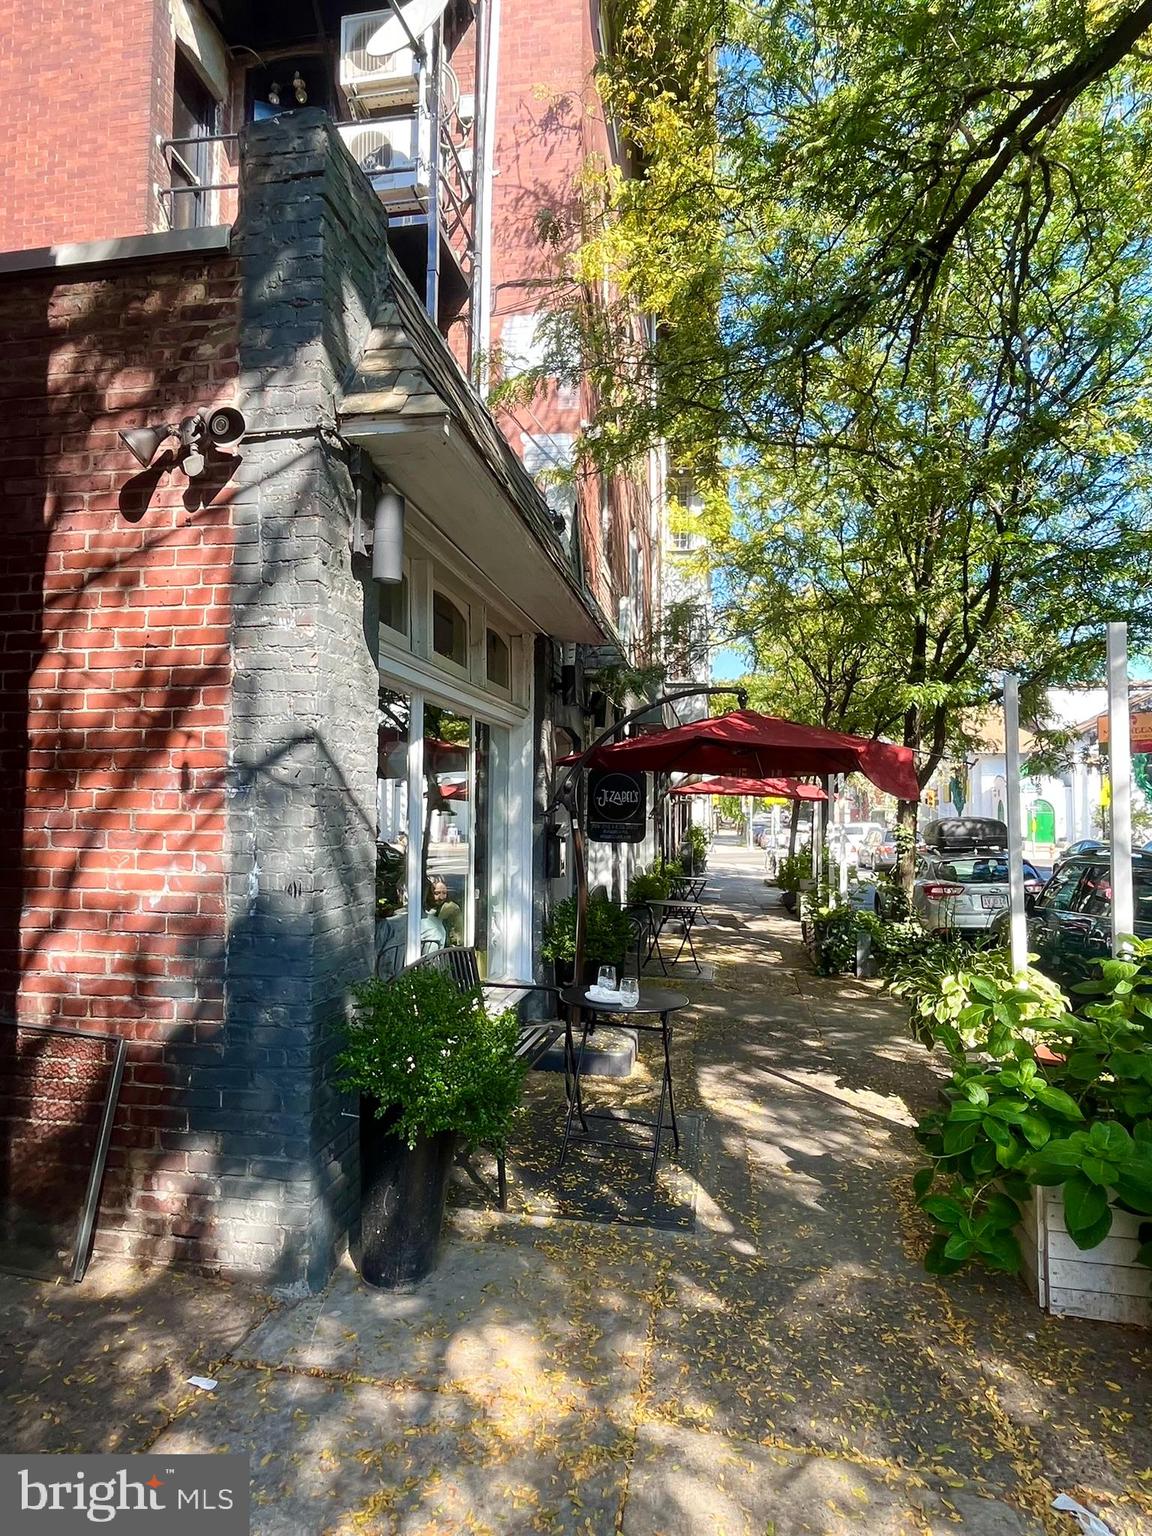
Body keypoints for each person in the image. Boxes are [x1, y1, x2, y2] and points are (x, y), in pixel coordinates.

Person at [430, 876, 464, 946]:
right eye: (437, 893)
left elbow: (459, 933)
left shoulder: (451, 908)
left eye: (444, 893)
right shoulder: (421, 908)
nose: (441, 897)